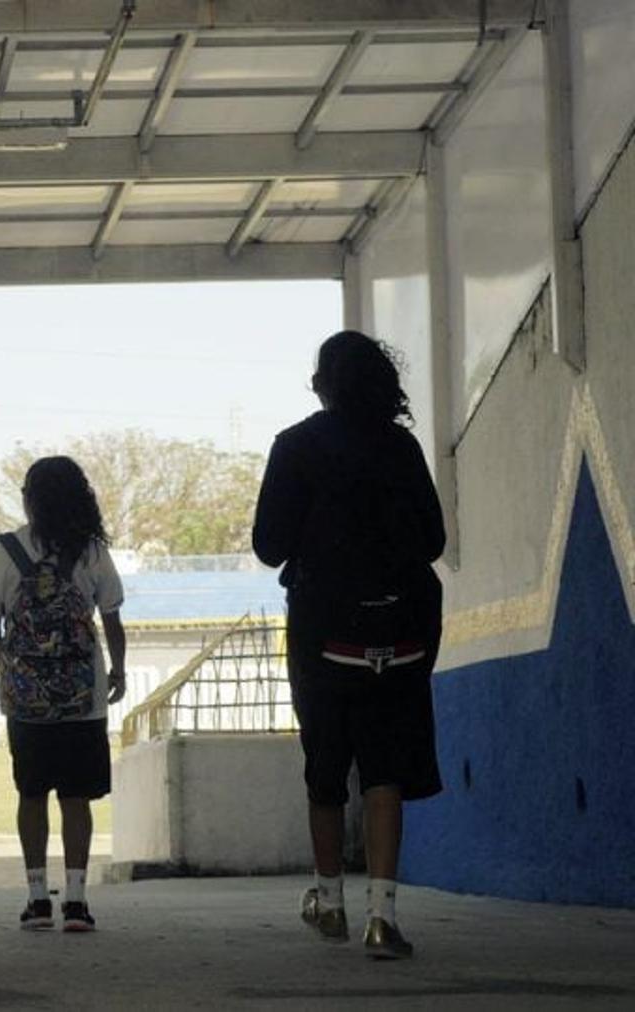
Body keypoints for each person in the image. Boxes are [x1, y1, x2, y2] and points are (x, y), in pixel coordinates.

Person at [253, 330, 445, 961]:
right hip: (401, 637)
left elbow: (268, 546)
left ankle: (329, 901)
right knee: (385, 771)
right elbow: (435, 541)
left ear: (321, 385)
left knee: (326, 770)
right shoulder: (402, 447)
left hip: (325, 637)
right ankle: (382, 918)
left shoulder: (295, 447)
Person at [0, 457, 126, 933]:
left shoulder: (0, 553)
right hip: (84, 697)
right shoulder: (92, 552)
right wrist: (117, 669)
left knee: (32, 793)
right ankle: (76, 901)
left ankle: (38, 898)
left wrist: (15, 671)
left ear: (28, 499)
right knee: (77, 797)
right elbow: (112, 621)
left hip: (27, 701)